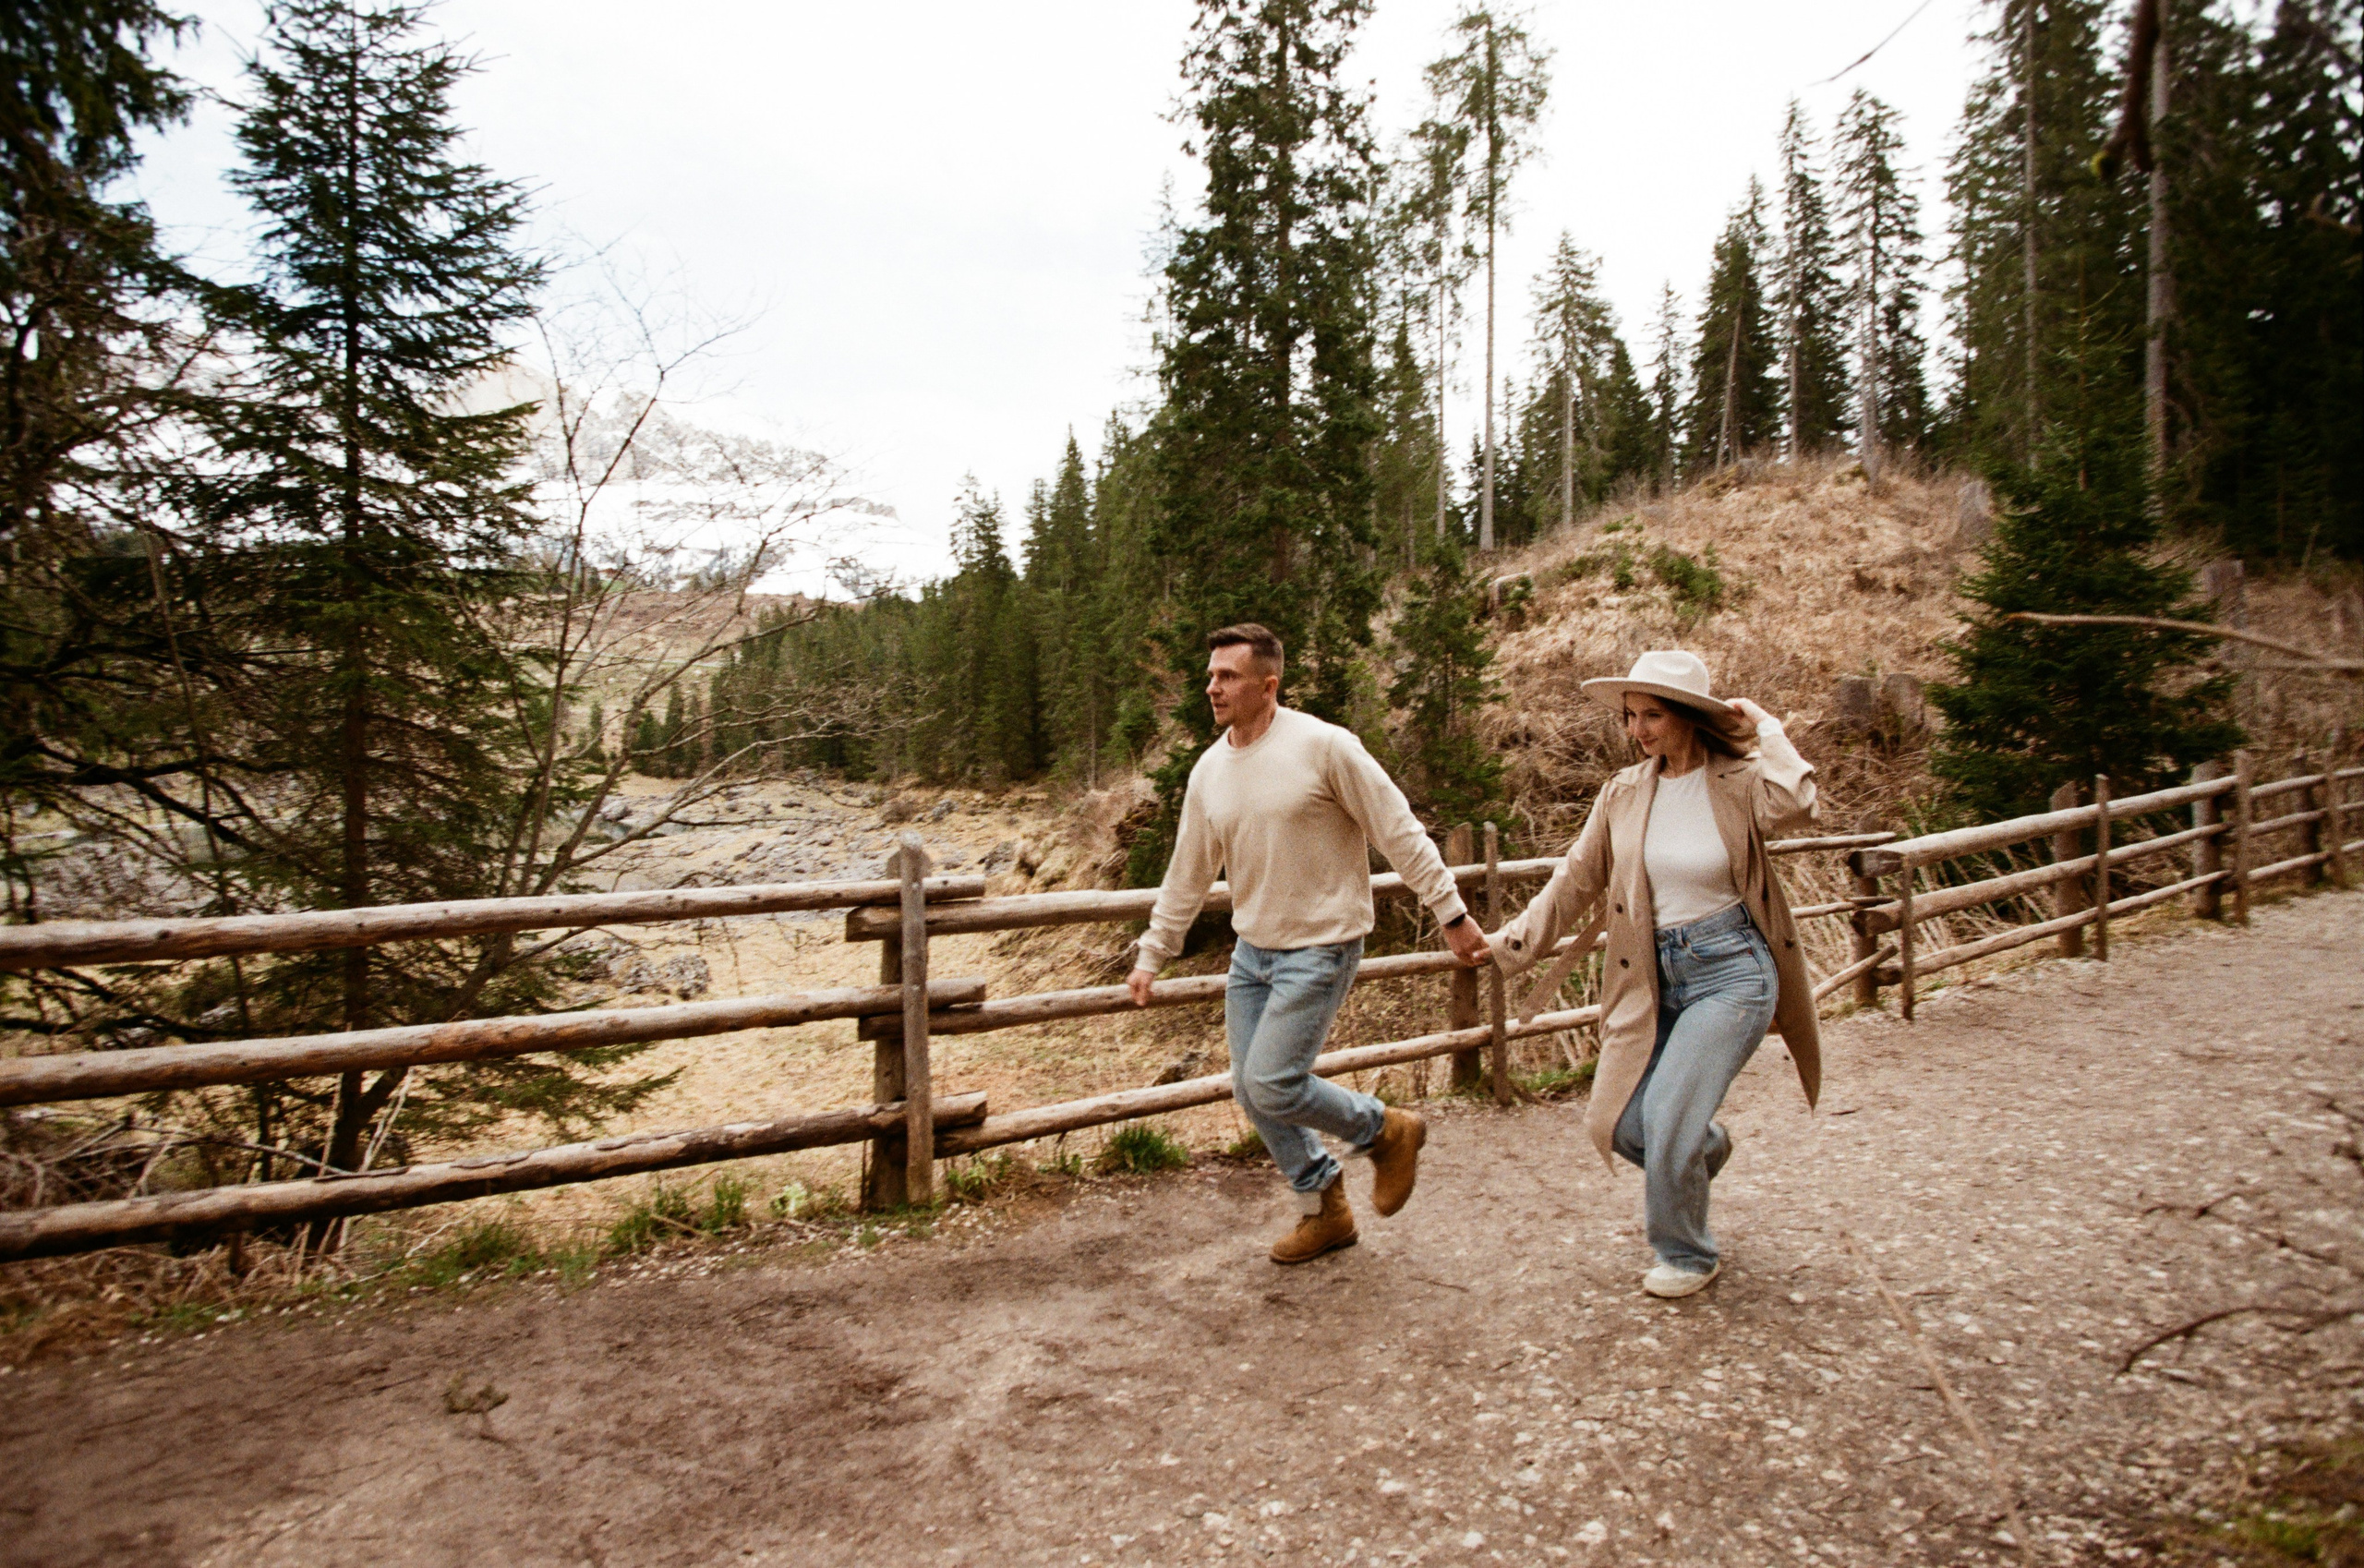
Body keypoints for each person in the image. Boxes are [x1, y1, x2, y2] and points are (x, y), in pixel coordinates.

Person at [1130, 623, 1491, 1263]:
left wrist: (1450, 910)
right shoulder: (1210, 770)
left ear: (1268, 685)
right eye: (1211, 675)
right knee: (1252, 1089)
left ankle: (1386, 1130)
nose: (1211, 687)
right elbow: (1187, 872)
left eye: (1227, 676)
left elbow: (1397, 829)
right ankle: (1324, 1206)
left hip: (1322, 943)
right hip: (1252, 954)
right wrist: (1153, 952)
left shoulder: (1325, 747)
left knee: (1271, 1082)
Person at [1486, 650, 1820, 1298]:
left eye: (1652, 716)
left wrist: (1767, 727)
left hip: (1732, 972)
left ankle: (1687, 1254)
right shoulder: (1624, 791)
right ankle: (1700, 1148)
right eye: (1629, 716)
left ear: (1689, 716)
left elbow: (1798, 803)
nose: (1636, 730)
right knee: (1616, 1123)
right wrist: (1511, 944)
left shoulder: (1741, 781)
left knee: (1667, 1117)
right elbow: (1576, 878)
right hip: (1650, 975)